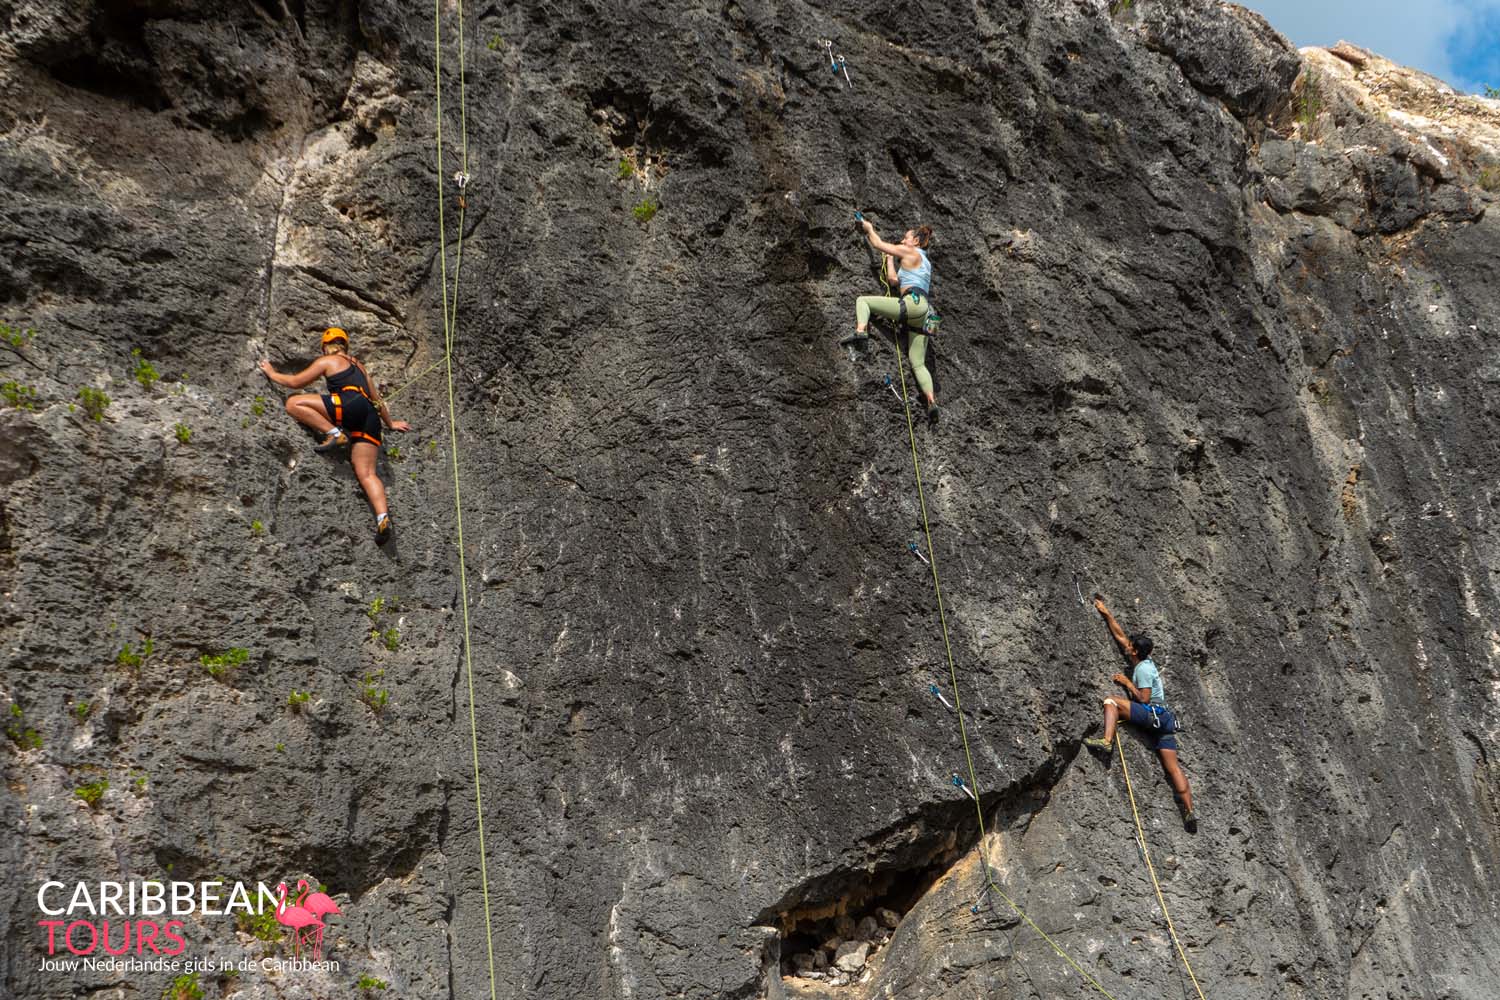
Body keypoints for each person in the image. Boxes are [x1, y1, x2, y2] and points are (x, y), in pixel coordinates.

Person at [259, 327, 410, 544]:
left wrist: (271, 373)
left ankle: (335, 433)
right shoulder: (360, 366)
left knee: (293, 403)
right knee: (367, 474)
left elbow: (296, 382)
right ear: (345, 346)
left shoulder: (327, 361)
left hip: (349, 404)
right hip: (370, 417)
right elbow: (377, 400)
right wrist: (391, 423)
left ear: (325, 346)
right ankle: (382, 518)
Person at [1083, 595, 1197, 832]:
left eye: (1130, 647)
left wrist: (1126, 682)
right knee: (1173, 768)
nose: (1127, 646)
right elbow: (1121, 637)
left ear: (1135, 652)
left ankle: (1106, 741)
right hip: (1164, 720)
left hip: (1151, 712)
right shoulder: (1145, 660)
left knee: (1111, 702)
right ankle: (1188, 810)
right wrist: (1106, 613)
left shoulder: (1143, 670)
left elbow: (1143, 698)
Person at [841, 219, 940, 423]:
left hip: (912, 303)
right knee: (918, 363)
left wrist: (868, 228)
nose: (903, 240)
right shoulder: (924, 261)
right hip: (926, 312)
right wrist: (888, 261)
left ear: (916, 242)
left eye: (906, 238)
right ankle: (931, 401)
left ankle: (861, 331)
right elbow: (894, 281)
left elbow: (877, 244)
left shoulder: (910, 252)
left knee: (863, 301)